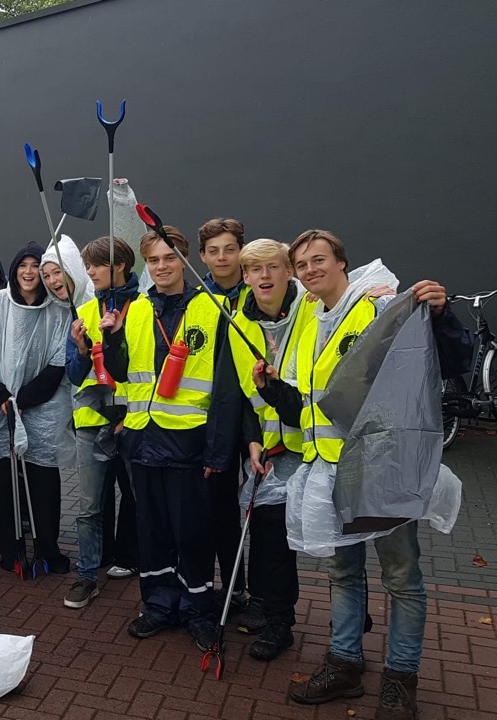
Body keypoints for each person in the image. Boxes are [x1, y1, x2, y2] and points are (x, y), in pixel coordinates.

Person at [252, 230, 471, 720]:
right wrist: (271, 390)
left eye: (318, 260)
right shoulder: (307, 319)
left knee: (401, 577)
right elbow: (310, 403)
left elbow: (450, 361)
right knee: (342, 572)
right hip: (328, 471)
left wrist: (439, 314)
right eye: (301, 264)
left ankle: (400, 680)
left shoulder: (376, 305)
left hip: (380, 469)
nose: (309, 270)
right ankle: (345, 662)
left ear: (341, 262)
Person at [98, 225, 240, 652]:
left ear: (185, 260)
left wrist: (217, 448)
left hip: (188, 443)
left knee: (191, 533)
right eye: (154, 260)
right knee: (152, 531)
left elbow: (226, 389)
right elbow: (123, 373)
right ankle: (158, 606)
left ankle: (198, 610)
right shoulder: (137, 309)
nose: (161, 266)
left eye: (169, 257)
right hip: (142, 443)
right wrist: (111, 337)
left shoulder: (212, 309)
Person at [225, 238, 317, 660]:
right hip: (269, 453)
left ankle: (344, 628)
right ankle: (276, 619)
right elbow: (246, 397)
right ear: (244, 277)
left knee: (316, 543)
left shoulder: (312, 313)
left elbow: (304, 404)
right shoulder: (238, 324)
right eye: (255, 269)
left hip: (315, 449)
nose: (264, 276)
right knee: (267, 541)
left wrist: (275, 388)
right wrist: (253, 441)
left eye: (273, 267)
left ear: (288, 271)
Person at [0, 242, 73, 577]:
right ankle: (11, 550)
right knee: (1, 481)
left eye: (35, 265)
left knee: (43, 479)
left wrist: (25, 398)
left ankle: (48, 547)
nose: (28, 271)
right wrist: (1, 396)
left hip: (40, 408)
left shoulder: (56, 311)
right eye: (22, 264)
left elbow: (57, 363)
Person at [62, 237, 144, 609]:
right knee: (89, 507)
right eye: (88, 265)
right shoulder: (82, 311)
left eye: (97, 265)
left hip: (135, 420)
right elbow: (75, 374)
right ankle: (86, 575)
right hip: (92, 421)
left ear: (121, 265)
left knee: (141, 499)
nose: (91, 271)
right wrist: (80, 350)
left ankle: (150, 570)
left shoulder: (143, 307)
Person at [198, 218, 250, 612]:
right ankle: (228, 587)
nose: (221, 257)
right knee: (218, 512)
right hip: (212, 420)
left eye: (229, 249)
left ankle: (252, 593)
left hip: (260, 420)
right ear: (202, 257)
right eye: (213, 251)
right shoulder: (200, 300)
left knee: (259, 516)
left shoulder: (260, 294)